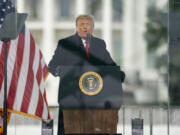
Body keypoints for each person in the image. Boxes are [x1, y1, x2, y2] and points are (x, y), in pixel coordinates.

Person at [48, 14, 125, 134]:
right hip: (71, 98)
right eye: (82, 24)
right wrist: (61, 71)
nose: (85, 27)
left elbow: (109, 64)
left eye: (88, 24)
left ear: (93, 27)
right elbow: (52, 66)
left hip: (96, 99)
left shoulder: (100, 44)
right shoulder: (65, 43)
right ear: (76, 27)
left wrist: (118, 74)